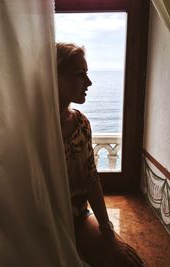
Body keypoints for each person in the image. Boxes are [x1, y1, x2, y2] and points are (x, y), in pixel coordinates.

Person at [56, 42, 145, 267]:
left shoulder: (81, 124)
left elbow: (91, 179)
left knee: (127, 262)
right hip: (41, 222)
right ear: (53, 75)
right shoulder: (33, 129)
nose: (89, 82)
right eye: (80, 74)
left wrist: (108, 231)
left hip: (77, 218)